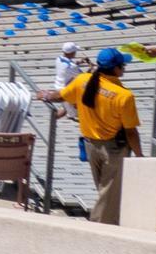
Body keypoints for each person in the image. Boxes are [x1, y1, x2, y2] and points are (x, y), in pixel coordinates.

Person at [38, 47, 141, 224]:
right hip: (114, 149)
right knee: (107, 196)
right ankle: (97, 228)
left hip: (91, 145)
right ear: (116, 69)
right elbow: (131, 131)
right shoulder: (124, 95)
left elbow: (61, 96)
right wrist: (139, 155)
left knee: (104, 192)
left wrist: (45, 95)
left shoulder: (83, 80)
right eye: (123, 65)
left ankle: (106, 224)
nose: (124, 68)